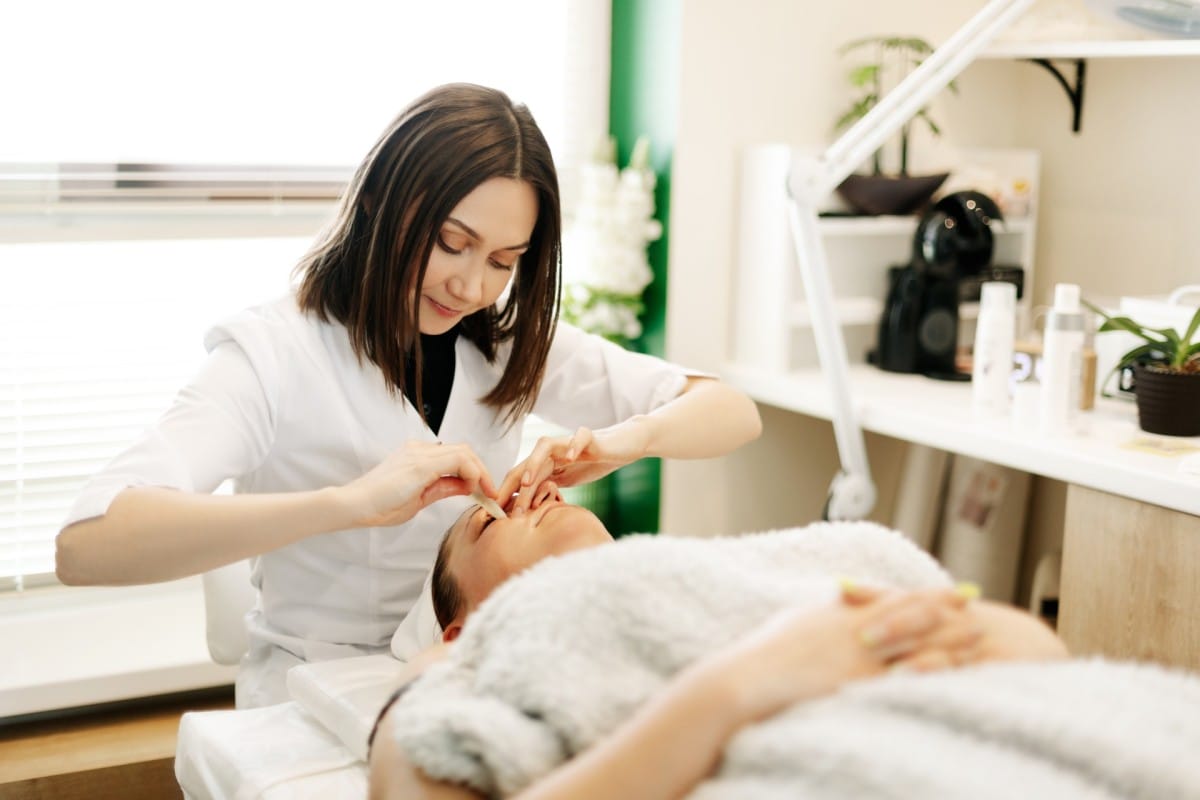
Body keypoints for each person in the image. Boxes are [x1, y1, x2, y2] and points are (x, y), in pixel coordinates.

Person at [54, 82, 762, 707]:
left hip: (474, 674)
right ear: (380, 202)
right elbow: (87, 546)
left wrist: (620, 441)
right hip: (314, 689)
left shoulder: (507, 341)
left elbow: (733, 413)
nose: (472, 286)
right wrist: (345, 506)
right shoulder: (274, 354)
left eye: (503, 261)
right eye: (453, 242)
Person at [367, 501, 1079, 800]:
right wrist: (749, 681)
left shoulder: (732, 569)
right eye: (493, 520)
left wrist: (905, 638)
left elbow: (1042, 652)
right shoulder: (459, 661)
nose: (532, 498)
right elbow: (408, 771)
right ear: (463, 626)